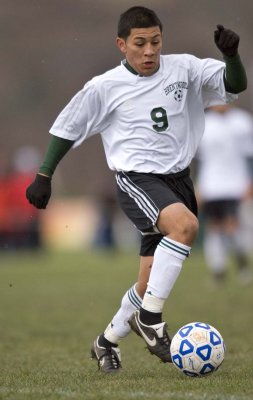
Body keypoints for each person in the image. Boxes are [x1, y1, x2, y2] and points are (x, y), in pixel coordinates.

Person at [26, 6, 247, 373]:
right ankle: (150, 320)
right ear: (122, 45)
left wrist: (231, 55)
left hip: (179, 180)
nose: (149, 51)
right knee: (186, 227)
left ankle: (106, 342)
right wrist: (44, 174)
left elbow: (234, 85)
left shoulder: (186, 69)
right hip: (136, 181)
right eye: (140, 43)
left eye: (156, 42)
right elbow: (68, 126)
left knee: (147, 284)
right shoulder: (105, 87)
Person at [195, 105, 253, 285]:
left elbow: (249, 155)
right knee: (214, 227)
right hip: (211, 186)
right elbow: (201, 160)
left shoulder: (242, 121)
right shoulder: (203, 123)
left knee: (232, 226)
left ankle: (242, 263)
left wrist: (249, 183)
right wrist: (199, 186)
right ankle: (218, 270)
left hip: (235, 184)